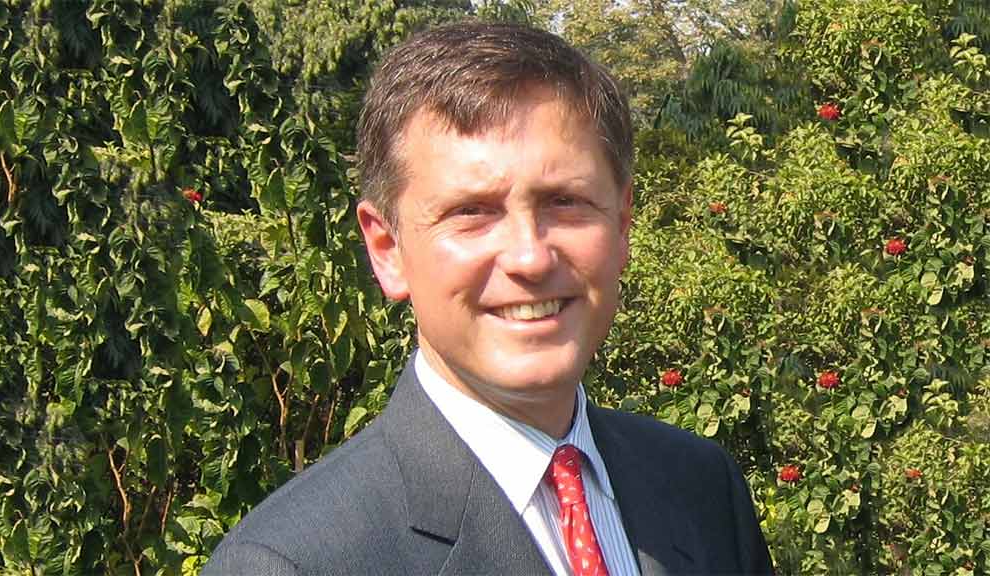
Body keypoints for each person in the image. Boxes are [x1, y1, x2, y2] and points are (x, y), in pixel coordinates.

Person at [204, 22, 774, 576]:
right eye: (472, 213)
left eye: (565, 202)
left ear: (622, 223)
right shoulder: (295, 562)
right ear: (387, 249)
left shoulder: (701, 488)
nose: (529, 257)